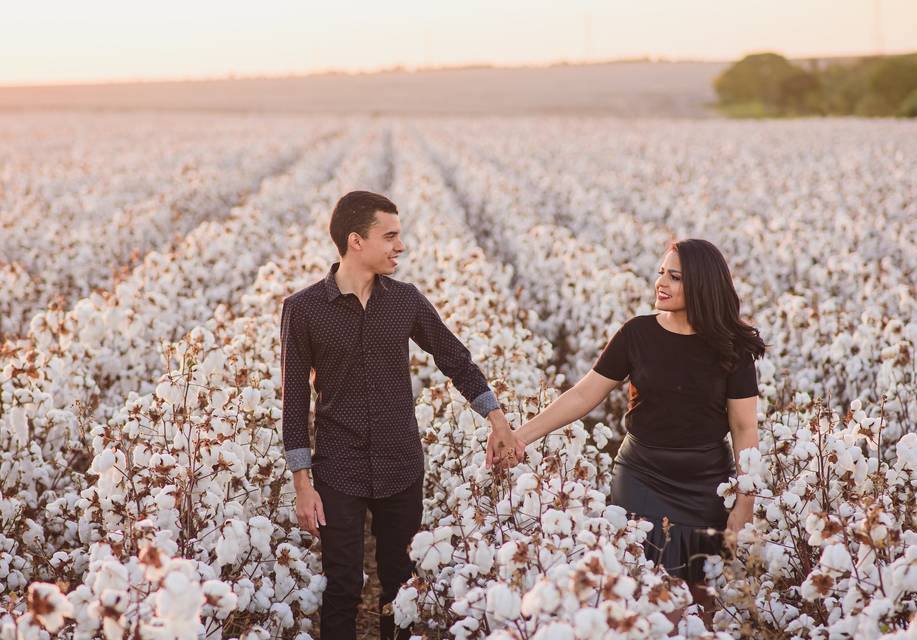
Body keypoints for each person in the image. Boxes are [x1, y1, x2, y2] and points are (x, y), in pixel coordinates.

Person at [491, 238, 764, 629]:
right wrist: (519, 436)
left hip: (706, 484)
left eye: (674, 276)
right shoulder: (637, 333)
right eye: (660, 273)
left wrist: (745, 501)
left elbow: (743, 427)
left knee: (699, 602)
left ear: (702, 285)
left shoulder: (734, 347)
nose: (660, 283)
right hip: (641, 475)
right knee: (642, 592)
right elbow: (586, 394)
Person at [280, 190, 517, 640]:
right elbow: (294, 402)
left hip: (401, 466)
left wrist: (497, 419)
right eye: (390, 236)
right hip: (338, 467)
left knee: (401, 587)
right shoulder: (304, 309)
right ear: (356, 241)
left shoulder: (405, 301)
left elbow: (455, 360)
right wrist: (302, 485)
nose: (400, 247)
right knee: (343, 587)